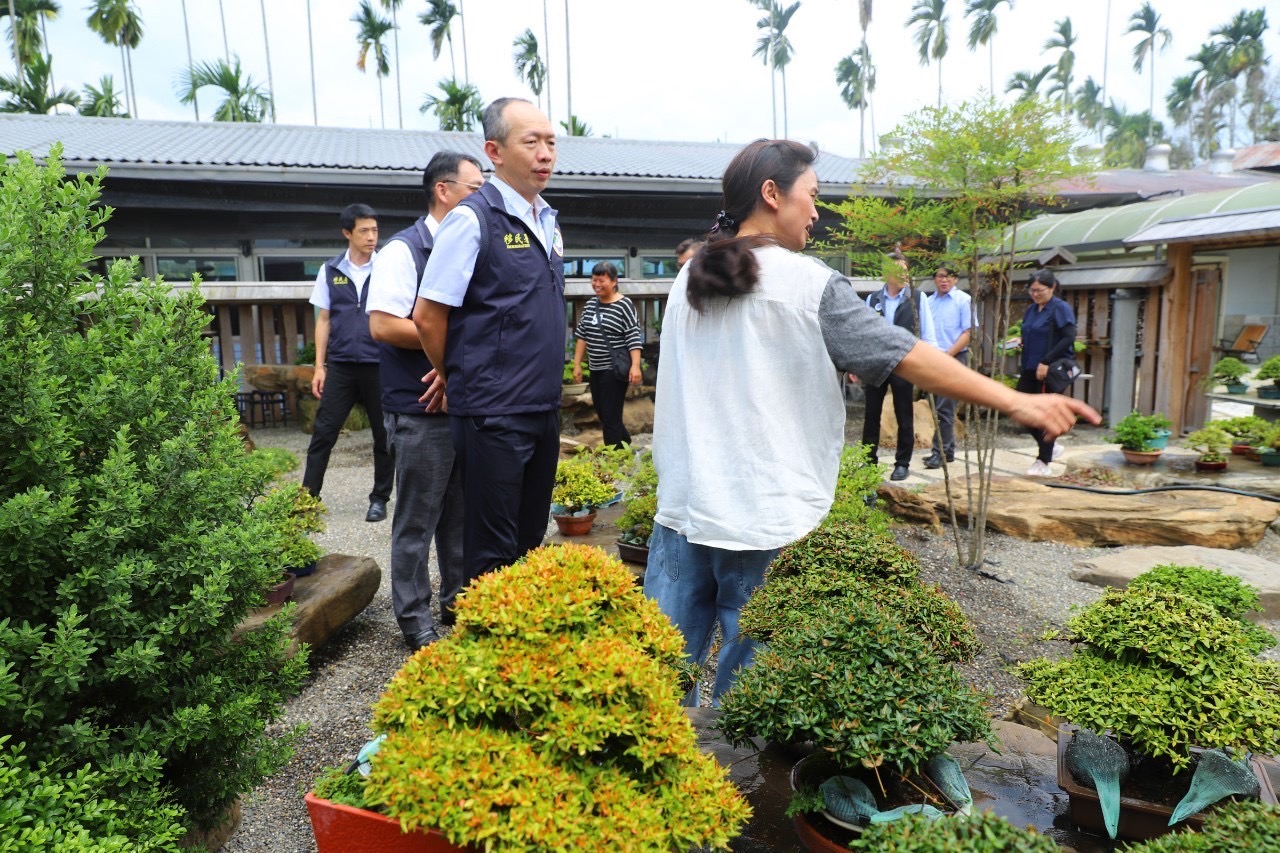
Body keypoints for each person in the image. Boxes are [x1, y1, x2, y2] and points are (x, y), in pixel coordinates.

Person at [644, 138, 1098, 705]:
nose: (816, 211)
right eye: (811, 196)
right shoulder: (808, 283)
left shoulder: (686, 281)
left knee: (655, 681)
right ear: (771, 194)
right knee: (753, 700)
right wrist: (1019, 402)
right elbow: (904, 354)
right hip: (765, 517)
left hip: (683, 508)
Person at [412, 97, 565, 585]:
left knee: (529, 537)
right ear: (494, 151)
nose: (545, 153)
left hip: (542, 405)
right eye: (531, 142)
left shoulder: (547, 220)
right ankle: (479, 649)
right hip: (494, 412)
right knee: (492, 549)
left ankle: (519, 650)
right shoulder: (472, 219)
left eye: (550, 142)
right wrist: (457, 375)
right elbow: (428, 315)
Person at [367, 152, 483, 651]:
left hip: (464, 404)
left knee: (460, 516)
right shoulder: (403, 250)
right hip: (419, 407)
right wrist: (450, 344)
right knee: (417, 519)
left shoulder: (473, 245)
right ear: (443, 189)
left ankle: (456, 599)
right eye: (474, 187)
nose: (483, 196)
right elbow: (383, 324)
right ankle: (413, 618)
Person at [301, 203, 394, 522]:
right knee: (324, 431)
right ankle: (307, 500)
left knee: (385, 436)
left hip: (380, 363)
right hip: (341, 365)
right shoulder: (330, 270)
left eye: (375, 230)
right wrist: (319, 366)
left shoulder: (388, 267)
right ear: (347, 233)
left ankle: (379, 498)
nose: (372, 237)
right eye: (364, 231)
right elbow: (323, 319)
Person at [860, 249, 938, 482]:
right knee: (871, 415)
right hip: (877, 364)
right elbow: (865, 334)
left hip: (906, 363)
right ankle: (868, 461)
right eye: (898, 270)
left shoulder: (917, 298)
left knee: (904, 413)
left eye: (906, 270)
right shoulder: (873, 299)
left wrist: (929, 365)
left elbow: (928, 335)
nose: (904, 275)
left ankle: (902, 463)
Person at [570, 262, 642, 447]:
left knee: (610, 414)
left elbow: (633, 336)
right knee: (603, 412)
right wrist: (577, 364)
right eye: (594, 280)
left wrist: (635, 366)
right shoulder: (590, 305)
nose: (597, 284)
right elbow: (582, 335)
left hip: (614, 370)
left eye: (601, 280)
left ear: (614, 281)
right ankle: (624, 442)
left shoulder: (624, 305)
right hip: (596, 368)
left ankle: (614, 457)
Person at [1016, 269, 1077, 477]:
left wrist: (1046, 361)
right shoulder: (1032, 310)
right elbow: (1031, 333)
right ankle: (1051, 445)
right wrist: (1020, 342)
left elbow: (1068, 338)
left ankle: (1044, 460)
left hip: (1048, 369)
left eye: (1040, 290)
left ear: (1052, 288)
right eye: (1032, 290)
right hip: (1029, 367)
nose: (1035, 294)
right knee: (1020, 409)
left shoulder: (1060, 308)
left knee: (1045, 415)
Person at [924, 264, 977, 469]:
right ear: (935, 279)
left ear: (955, 280)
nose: (944, 280)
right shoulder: (928, 302)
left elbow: (969, 332)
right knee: (940, 407)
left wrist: (948, 355)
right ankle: (948, 451)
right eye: (940, 276)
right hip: (933, 359)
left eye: (949, 276)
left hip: (954, 358)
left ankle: (940, 453)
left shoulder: (964, 300)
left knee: (944, 408)